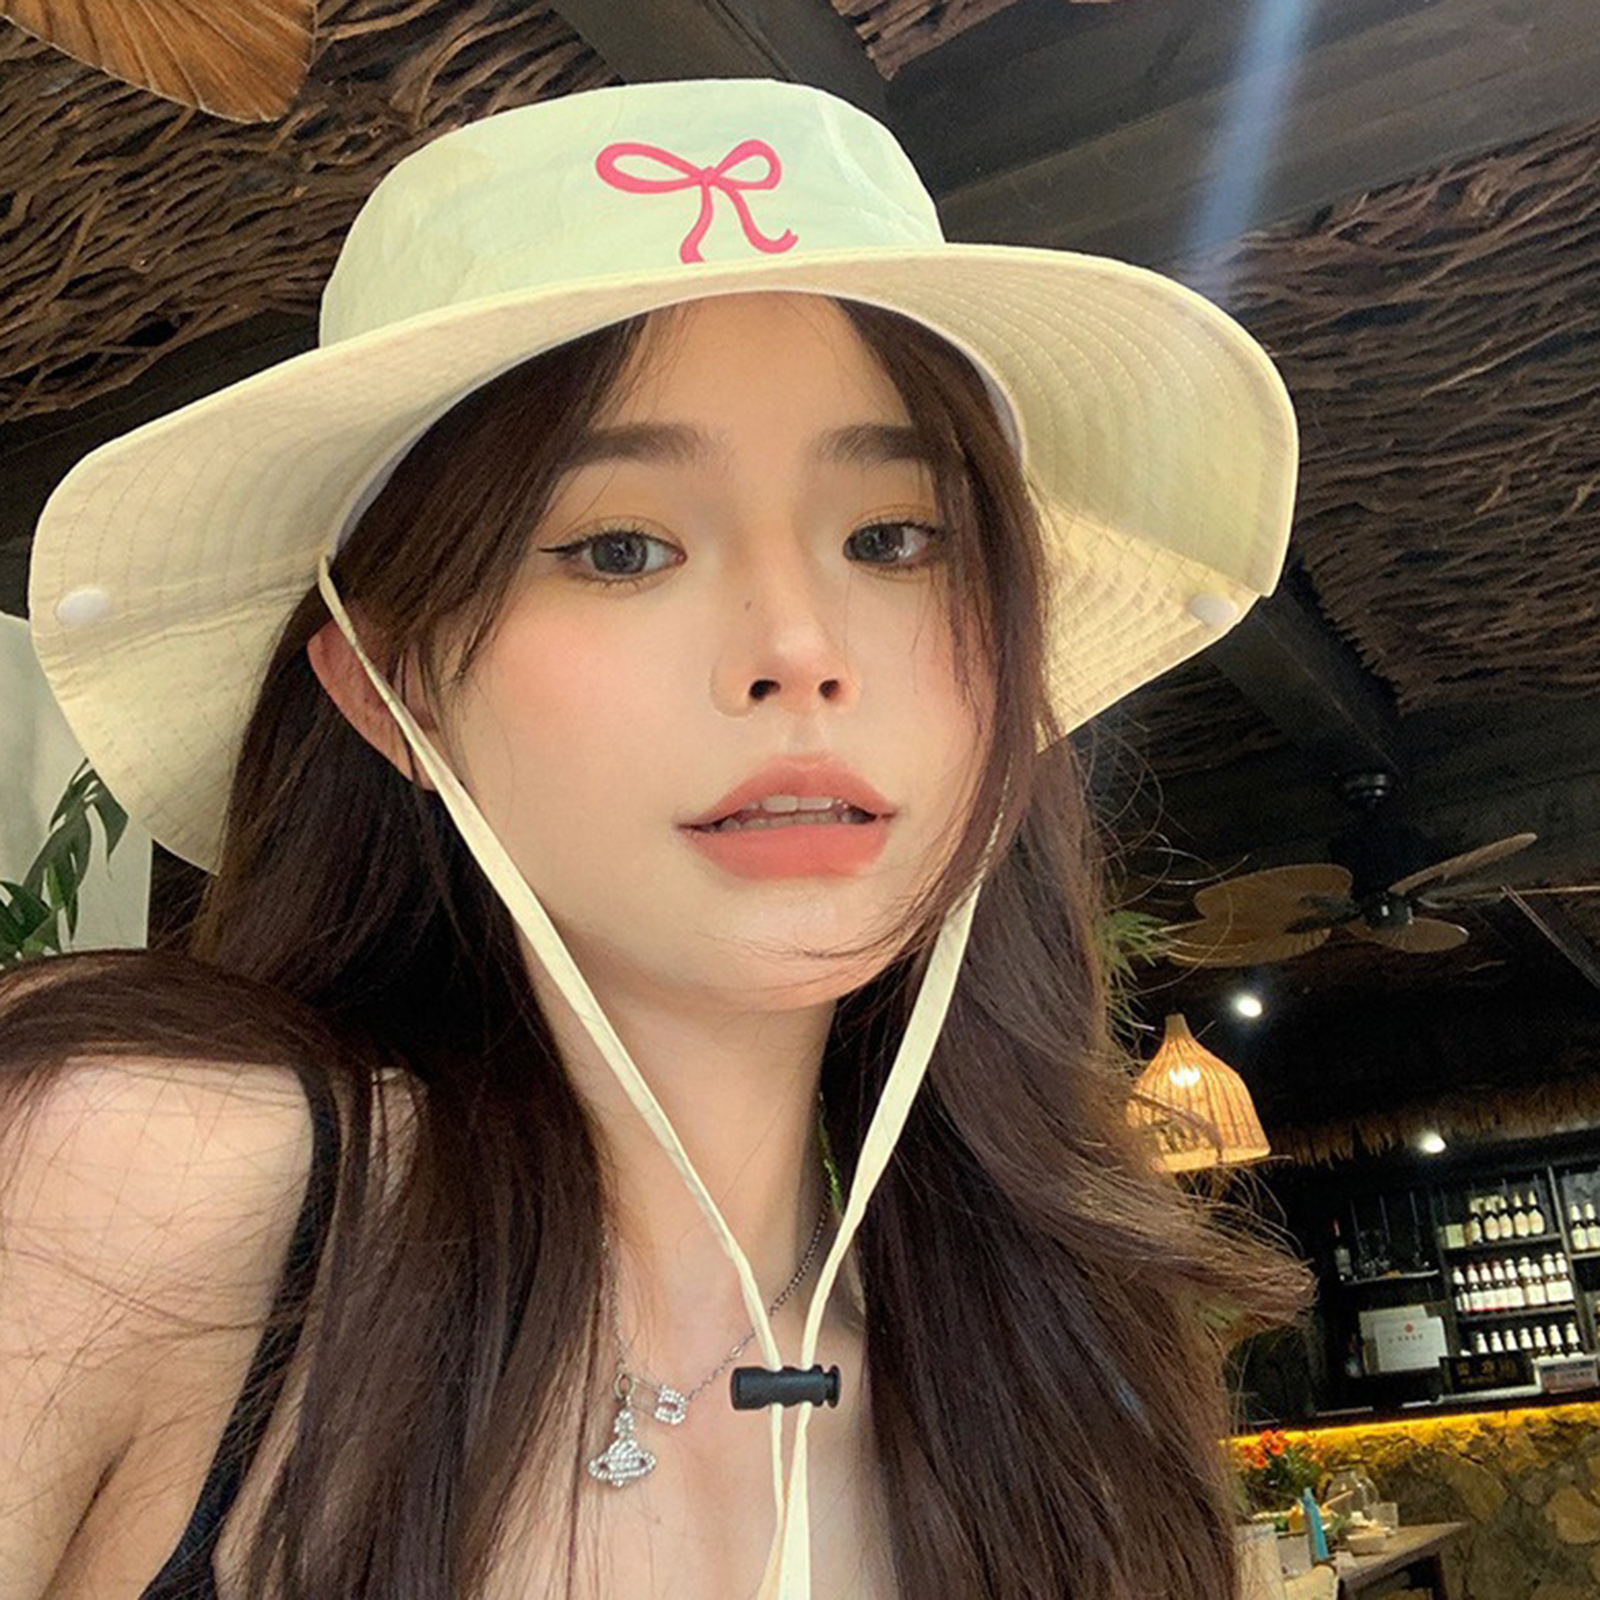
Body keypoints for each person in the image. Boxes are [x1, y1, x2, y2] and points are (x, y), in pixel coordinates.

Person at [2, 78, 1314, 1599]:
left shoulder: (1065, 1392)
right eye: (621, 547)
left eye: (895, 538)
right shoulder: (138, 1178)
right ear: (387, 690)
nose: (799, 649)